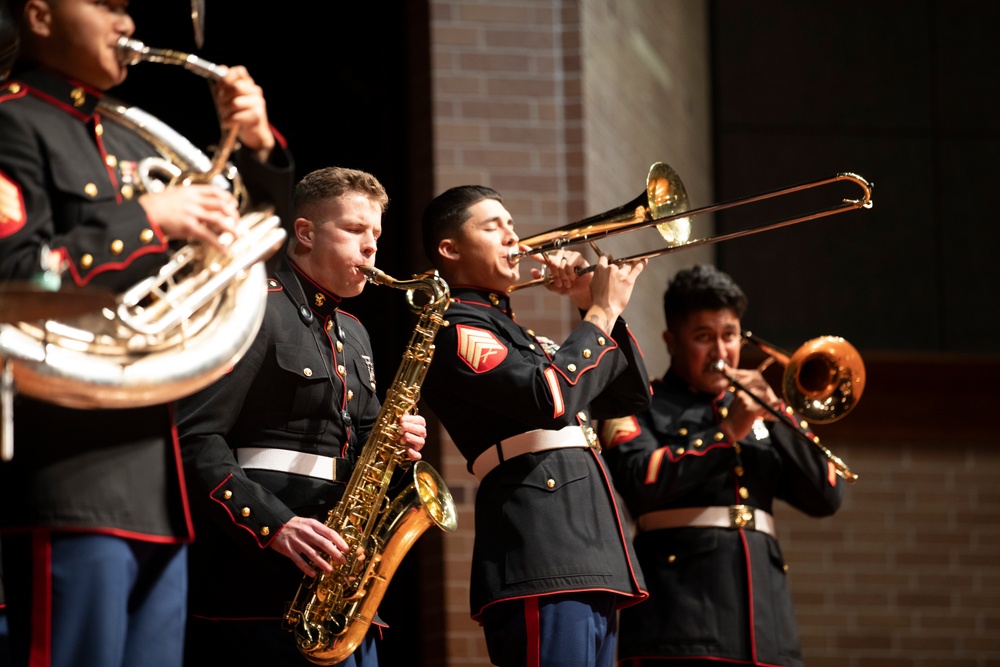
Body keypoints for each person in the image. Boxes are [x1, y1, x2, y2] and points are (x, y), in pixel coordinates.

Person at [0, 0, 292, 665]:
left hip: (160, 490)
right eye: (106, 6)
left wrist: (254, 147)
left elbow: (248, 249)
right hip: (67, 476)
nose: (128, 25)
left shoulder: (134, 141)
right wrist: (148, 219)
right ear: (41, 15)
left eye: (128, 10)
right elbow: (14, 276)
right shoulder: (13, 123)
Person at [175, 166, 427, 667]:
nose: (371, 246)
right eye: (355, 230)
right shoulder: (253, 305)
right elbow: (193, 437)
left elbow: (359, 443)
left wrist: (396, 440)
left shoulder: (355, 331)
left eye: (375, 233)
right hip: (257, 580)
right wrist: (274, 526)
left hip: (343, 585)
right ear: (305, 232)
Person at [420, 185, 650, 667]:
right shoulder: (456, 326)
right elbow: (550, 399)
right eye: (493, 226)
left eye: (512, 224)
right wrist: (601, 313)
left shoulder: (518, 334)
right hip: (540, 551)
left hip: (591, 552)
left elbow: (629, 396)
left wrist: (591, 304)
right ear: (450, 249)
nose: (514, 237)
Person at [599, 264, 847, 667]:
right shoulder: (639, 404)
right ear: (671, 341)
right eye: (703, 337)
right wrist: (727, 432)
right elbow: (639, 481)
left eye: (729, 335)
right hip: (678, 628)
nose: (721, 352)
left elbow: (827, 495)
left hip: (768, 631)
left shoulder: (756, 410)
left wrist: (777, 412)